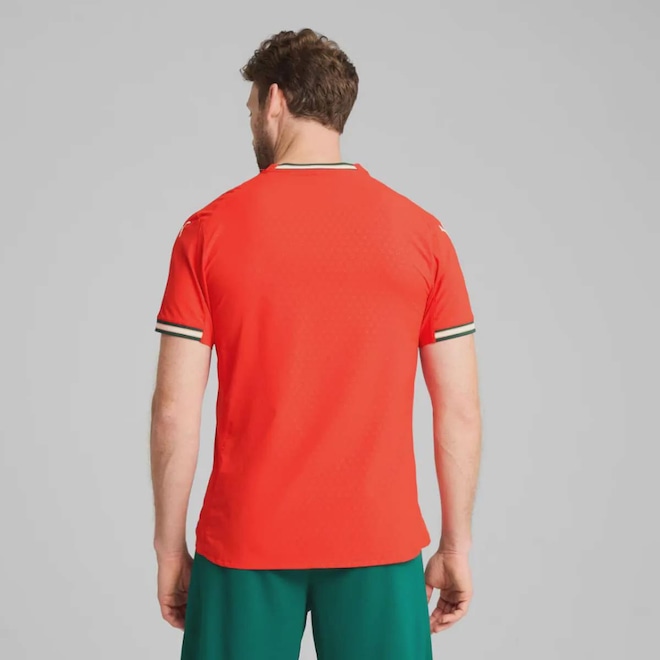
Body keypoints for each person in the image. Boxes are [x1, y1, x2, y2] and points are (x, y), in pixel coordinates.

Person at [150, 27, 482, 660]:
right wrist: (456, 545)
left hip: (245, 539)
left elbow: (173, 411)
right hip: (379, 541)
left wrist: (170, 549)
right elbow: (459, 410)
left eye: (252, 106)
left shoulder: (207, 232)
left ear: (274, 99)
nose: (252, 120)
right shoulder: (424, 235)